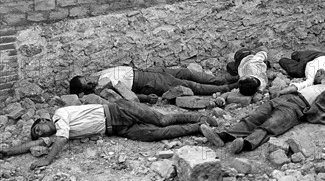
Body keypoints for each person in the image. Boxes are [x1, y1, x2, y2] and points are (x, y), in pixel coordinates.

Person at [200, 64, 325, 154]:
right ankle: (223, 136)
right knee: (254, 117)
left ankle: (245, 144)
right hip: (287, 98)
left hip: (298, 107)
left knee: (271, 125)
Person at [0, 100, 215, 169]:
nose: (41, 133)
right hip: (118, 129)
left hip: (118, 110)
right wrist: (8, 152)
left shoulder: (59, 116)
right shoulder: (57, 134)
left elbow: (62, 140)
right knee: (158, 134)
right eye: (38, 134)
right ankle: (199, 128)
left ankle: (201, 117)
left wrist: (47, 160)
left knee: (161, 119)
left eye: (39, 128)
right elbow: (33, 144)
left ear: (45, 120)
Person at [69, 65, 236, 101]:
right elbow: (128, 96)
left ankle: (223, 80)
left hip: (147, 71)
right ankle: (226, 88)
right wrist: (147, 98)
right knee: (187, 85)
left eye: (86, 77)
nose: (90, 79)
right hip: (146, 81)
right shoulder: (101, 90)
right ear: (85, 91)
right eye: (87, 83)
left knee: (185, 72)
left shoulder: (97, 75)